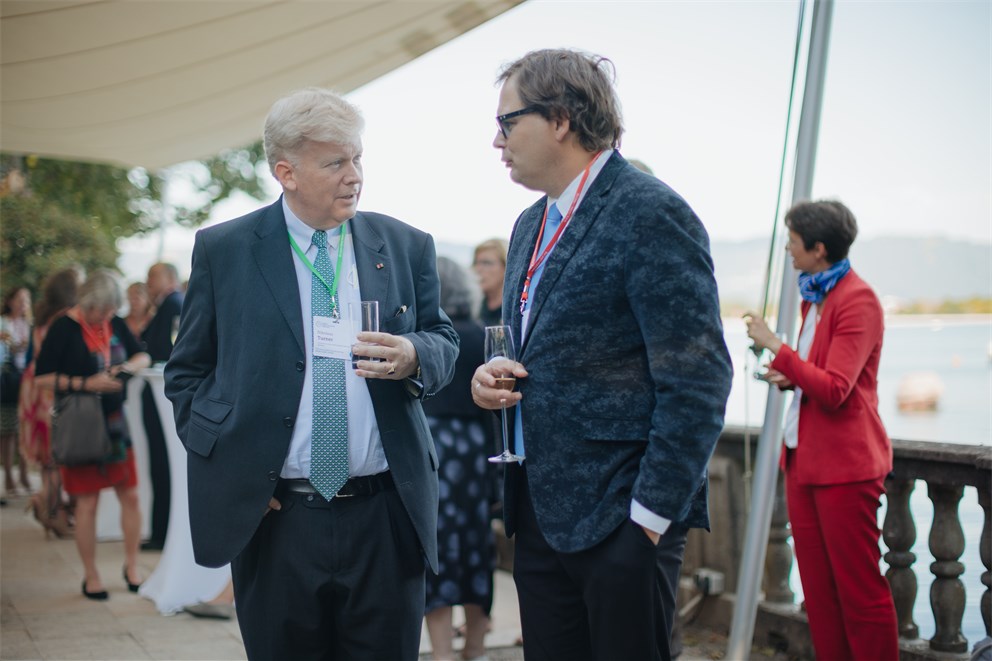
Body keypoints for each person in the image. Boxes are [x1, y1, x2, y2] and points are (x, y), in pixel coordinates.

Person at [164, 87, 459, 660]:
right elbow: (187, 374)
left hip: (385, 515)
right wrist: (230, 466)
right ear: (286, 172)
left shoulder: (403, 245)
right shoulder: (225, 250)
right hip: (277, 520)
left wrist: (413, 354)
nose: (355, 175)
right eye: (336, 162)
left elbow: (444, 341)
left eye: (358, 158)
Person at [471, 49, 732, 661]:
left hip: (621, 521)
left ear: (559, 118)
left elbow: (698, 379)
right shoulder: (529, 224)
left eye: (508, 123)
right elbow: (540, 353)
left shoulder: (650, 211)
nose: (497, 141)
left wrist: (647, 519)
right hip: (536, 513)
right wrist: (490, 382)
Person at [745, 200, 899, 661]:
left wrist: (776, 346)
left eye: (793, 242)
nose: (788, 250)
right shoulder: (818, 295)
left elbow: (835, 389)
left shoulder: (859, 300)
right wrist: (790, 373)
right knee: (819, 597)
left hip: (845, 468)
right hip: (804, 463)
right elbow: (821, 374)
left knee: (860, 594)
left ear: (818, 248)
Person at [34, 269, 151, 599]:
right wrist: (86, 384)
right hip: (80, 425)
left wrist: (127, 368)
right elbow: (41, 378)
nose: (109, 316)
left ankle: (132, 565)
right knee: (86, 503)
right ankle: (91, 575)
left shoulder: (112, 323)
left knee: (130, 494)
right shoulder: (64, 327)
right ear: (89, 302)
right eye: (105, 310)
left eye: (113, 310)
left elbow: (142, 354)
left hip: (115, 421)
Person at [423, 256, 494, 661]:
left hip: (435, 447)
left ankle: (443, 653)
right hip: (474, 451)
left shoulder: (430, 337)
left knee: (436, 549)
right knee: (476, 546)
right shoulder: (481, 335)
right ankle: (476, 648)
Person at [21, 267, 83, 538]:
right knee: (57, 455)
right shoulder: (65, 319)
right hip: (51, 389)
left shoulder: (43, 315)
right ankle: (52, 509)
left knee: (48, 459)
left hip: (32, 387)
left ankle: (46, 502)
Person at [139, 262, 184, 551]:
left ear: (168, 278)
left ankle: (162, 533)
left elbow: (168, 347)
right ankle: (159, 530)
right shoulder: (166, 304)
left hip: (163, 394)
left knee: (162, 463)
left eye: (151, 276)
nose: (147, 282)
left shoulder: (174, 303)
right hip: (156, 392)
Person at [1, 287, 33, 498]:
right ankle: (9, 476)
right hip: (6, 380)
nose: (23, 304)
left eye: (26, 300)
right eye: (19, 299)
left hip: (26, 379)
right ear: (10, 301)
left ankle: (23, 472)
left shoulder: (30, 326)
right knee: (8, 429)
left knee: (25, 429)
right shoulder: (3, 323)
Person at [472, 238, 508, 328]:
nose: (478, 269)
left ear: (506, 267)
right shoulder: (471, 308)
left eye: (486, 263)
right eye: (476, 263)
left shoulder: (514, 310)